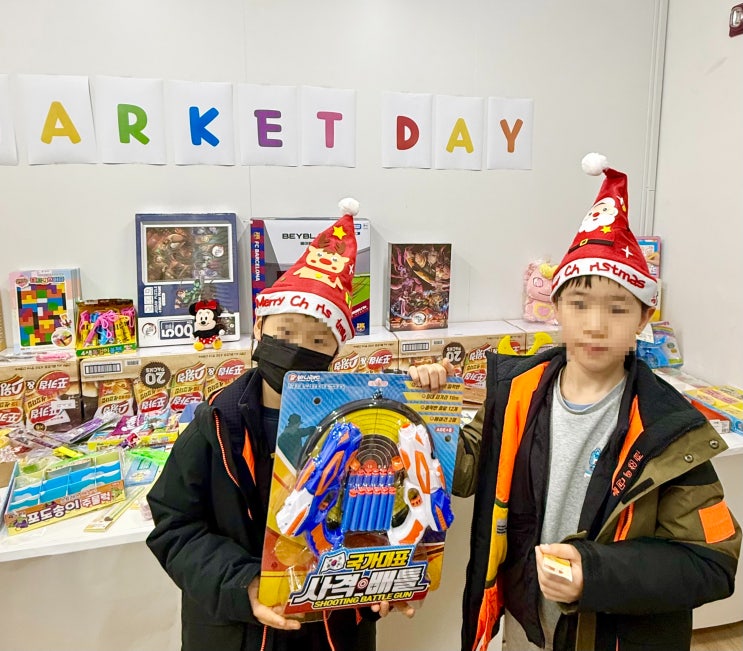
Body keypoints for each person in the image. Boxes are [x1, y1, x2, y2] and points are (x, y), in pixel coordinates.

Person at [411, 154, 741, 651]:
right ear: (556, 308)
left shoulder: (667, 427)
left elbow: (712, 562)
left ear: (644, 317)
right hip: (524, 622)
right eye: (579, 304)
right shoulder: (517, 390)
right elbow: (461, 474)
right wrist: (426, 407)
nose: (595, 325)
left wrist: (595, 572)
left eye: (617, 308)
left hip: (611, 635)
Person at [146, 199, 413, 651]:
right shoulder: (217, 423)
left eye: (318, 339)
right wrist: (244, 583)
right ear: (259, 329)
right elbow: (174, 525)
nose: (297, 347)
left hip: (334, 628)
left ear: (336, 353)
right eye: (284, 333)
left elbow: (384, 508)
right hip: (237, 633)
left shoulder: (358, 424)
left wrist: (381, 576)